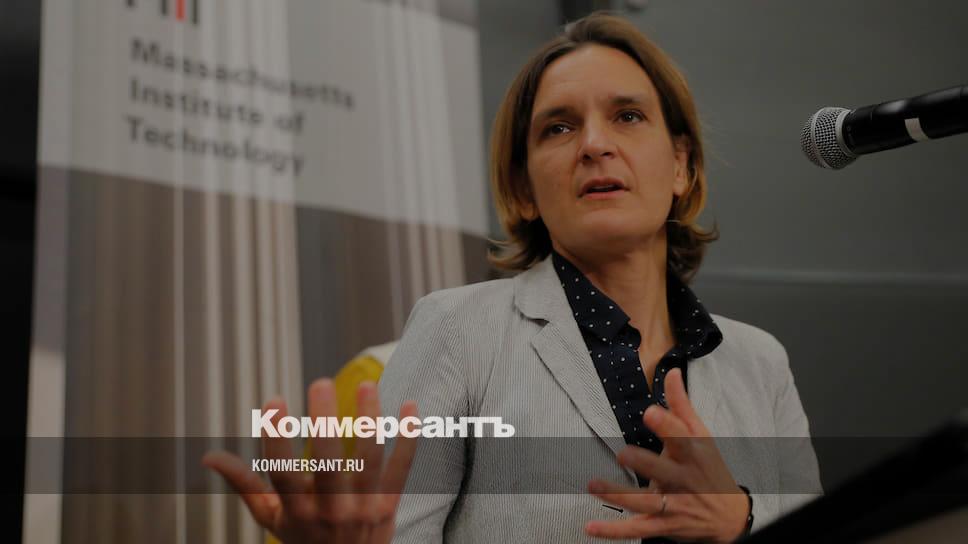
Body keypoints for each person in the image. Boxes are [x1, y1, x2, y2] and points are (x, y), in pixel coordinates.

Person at [378, 12, 821, 544]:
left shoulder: (761, 363)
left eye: (628, 116)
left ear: (681, 165)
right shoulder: (456, 330)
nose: (594, 144)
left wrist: (740, 520)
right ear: (523, 189)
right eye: (559, 128)